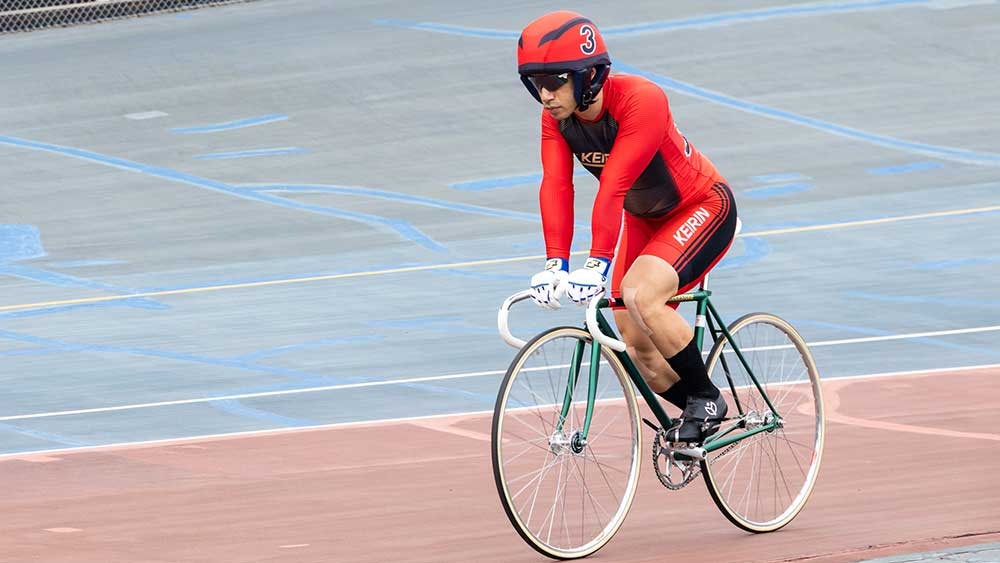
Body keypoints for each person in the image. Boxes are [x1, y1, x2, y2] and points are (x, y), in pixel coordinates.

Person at [518, 11, 739, 444]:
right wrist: (554, 264)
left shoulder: (642, 99)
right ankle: (694, 423)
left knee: (641, 294)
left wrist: (597, 264)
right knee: (637, 344)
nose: (546, 95)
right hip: (647, 219)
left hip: (701, 206)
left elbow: (614, 187)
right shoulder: (556, 119)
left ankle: (709, 397)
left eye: (556, 80)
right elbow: (556, 186)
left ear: (589, 77)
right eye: (535, 82)